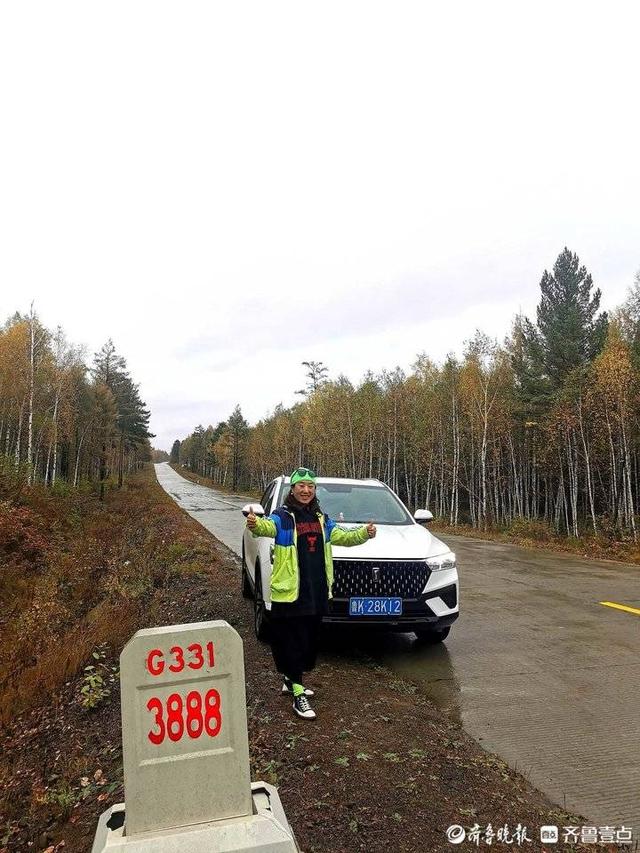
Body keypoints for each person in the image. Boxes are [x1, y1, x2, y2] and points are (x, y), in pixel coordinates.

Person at [246, 467, 376, 720]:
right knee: (291, 640)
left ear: (314, 490)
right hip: (291, 592)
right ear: (292, 489)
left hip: (316, 590)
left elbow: (341, 536)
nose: (305, 490)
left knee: (309, 639)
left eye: (310, 486)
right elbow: (266, 527)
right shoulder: (283, 517)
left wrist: (363, 534)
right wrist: (254, 524)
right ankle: (297, 692)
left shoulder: (321, 518)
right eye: (301, 486)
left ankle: (290, 678)